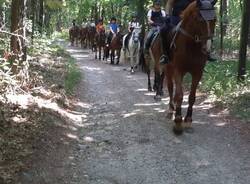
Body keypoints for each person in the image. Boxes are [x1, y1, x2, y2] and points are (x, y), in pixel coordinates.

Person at [160, 0, 216, 64]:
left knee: (206, 28)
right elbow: (169, 4)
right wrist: (167, 15)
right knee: (163, 30)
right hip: (176, 18)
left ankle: (207, 52)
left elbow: (202, 4)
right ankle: (165, 55)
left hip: (189, 19)